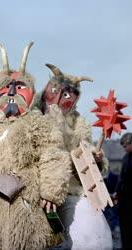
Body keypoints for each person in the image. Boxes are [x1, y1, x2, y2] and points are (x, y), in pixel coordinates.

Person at [0, 43, 72, 250]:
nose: (11, 92)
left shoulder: (39, 123)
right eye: (6, 87)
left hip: (27, 202)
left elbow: (52, 155)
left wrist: (51, 192)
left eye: (19, 87)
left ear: (30, 93)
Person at [38, 63, 113, 250]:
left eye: (73, 94)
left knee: (92, 234)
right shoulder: (37, 118)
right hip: (38, 188)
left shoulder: (80, 125)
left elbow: (84, 157)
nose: (68, 98)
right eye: (64, 92)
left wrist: (94, 158)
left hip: (72, 190)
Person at [114, 132, 132, 249]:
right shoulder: (125, 157)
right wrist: (116, 192)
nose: (124, 149)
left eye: (125, 146)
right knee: (125, 228)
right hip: (124, 199)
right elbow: (121, 178)